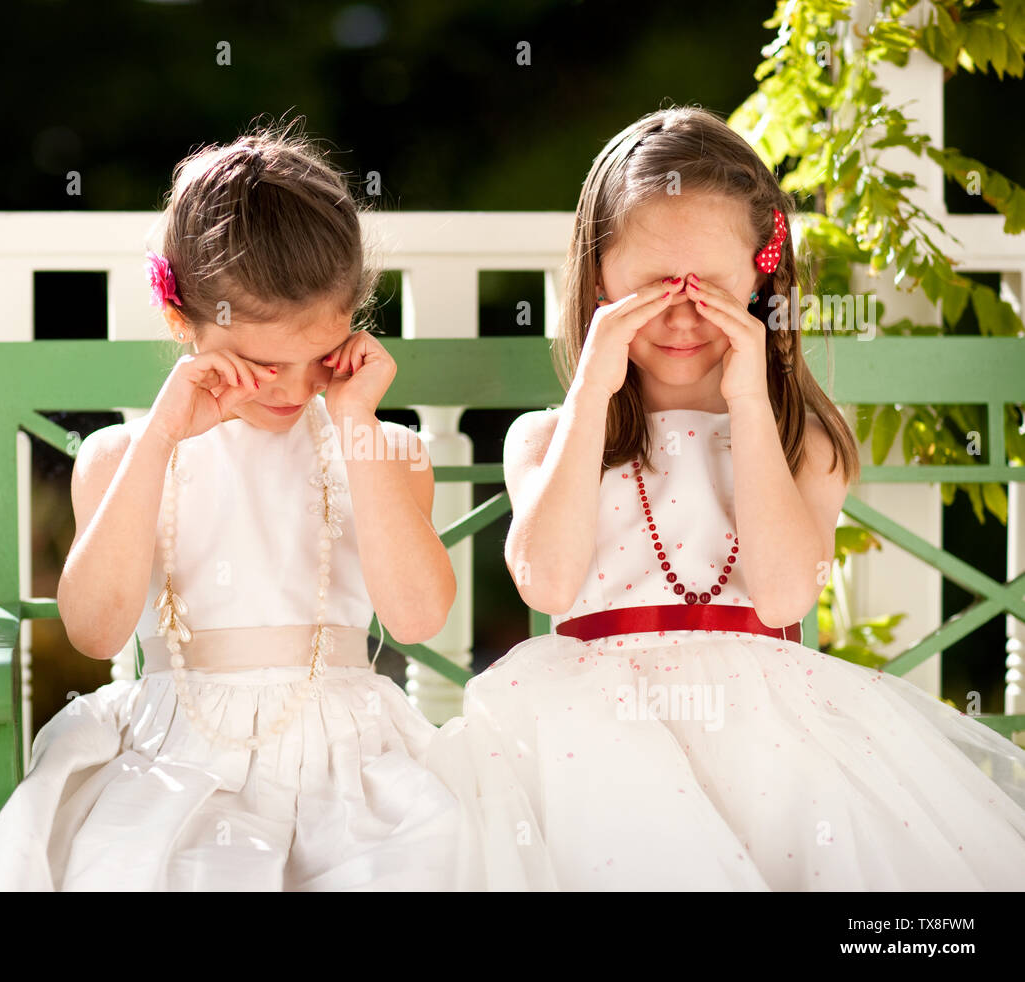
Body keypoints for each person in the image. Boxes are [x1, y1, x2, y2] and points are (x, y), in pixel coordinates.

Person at [428, 106, 1025, 890]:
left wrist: (750, 402)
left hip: (769, 739)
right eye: (650, 288)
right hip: (592, 742)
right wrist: (593, 390)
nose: (681, 315)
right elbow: (547, 583)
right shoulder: (549, 439)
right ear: (599, 278)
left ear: (760, 278)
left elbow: (782, 594)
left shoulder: (800, 439)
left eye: (709, 288)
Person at [0, 120, 462, 891]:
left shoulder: (380, 452)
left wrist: (359, 424)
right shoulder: (123, 459)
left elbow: (418, 619)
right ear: (181, 321)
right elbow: (96, 630)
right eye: (266, 363)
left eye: (320, 358)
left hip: (348, 767)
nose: (297, 390)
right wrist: (162, 435)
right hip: (175, 761)